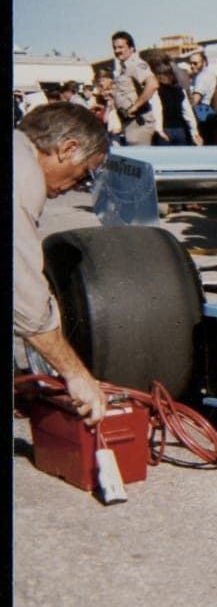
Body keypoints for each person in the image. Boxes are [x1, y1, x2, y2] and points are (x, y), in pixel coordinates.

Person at [14, 102, 112, 424]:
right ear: (67, 148)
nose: (79, 184)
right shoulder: (22, 176)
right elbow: (24, 300)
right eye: (84, 173)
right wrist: (76, 374)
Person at [110, 30, 158, 145]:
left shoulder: (135, 64)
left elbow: (152, 84)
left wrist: (135, 106)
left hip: (139, 123)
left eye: (121, 47)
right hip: (130, 123)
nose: (117, 51)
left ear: (131, 48)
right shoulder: (124, 67)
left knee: (141, 160)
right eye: (115, 48)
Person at [151, 62, 202, 146]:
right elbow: (188, 113)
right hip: (180, 130)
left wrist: (159, 130)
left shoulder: (157, 91)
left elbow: (157, 110)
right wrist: (194, 132)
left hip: (165, 129)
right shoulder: (180, 90)